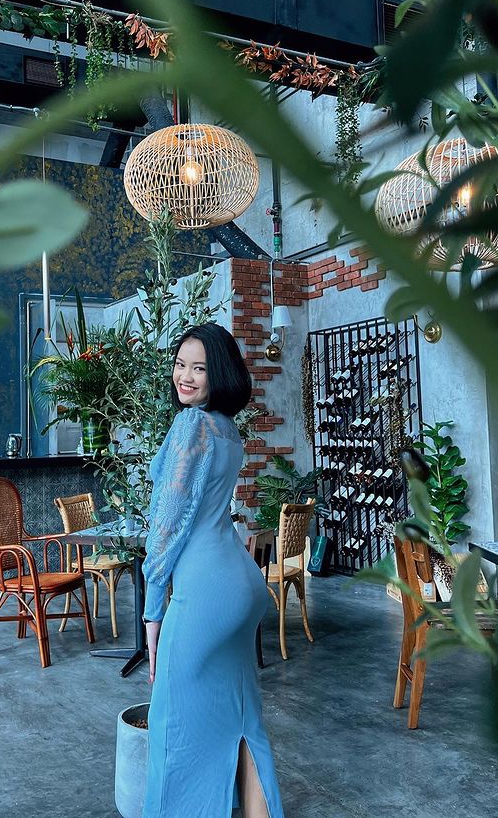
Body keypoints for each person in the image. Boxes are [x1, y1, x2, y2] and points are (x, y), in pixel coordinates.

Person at [142, 323, 285, 818]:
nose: (185, 376)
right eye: (180, 364)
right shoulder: (227, 429)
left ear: (217, 373)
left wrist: (152, 611)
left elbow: (167, 525)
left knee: (172, 729)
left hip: (204, 591)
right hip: (241, 584)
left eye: (199, 368)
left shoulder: (193, 426)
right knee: (242, 723)